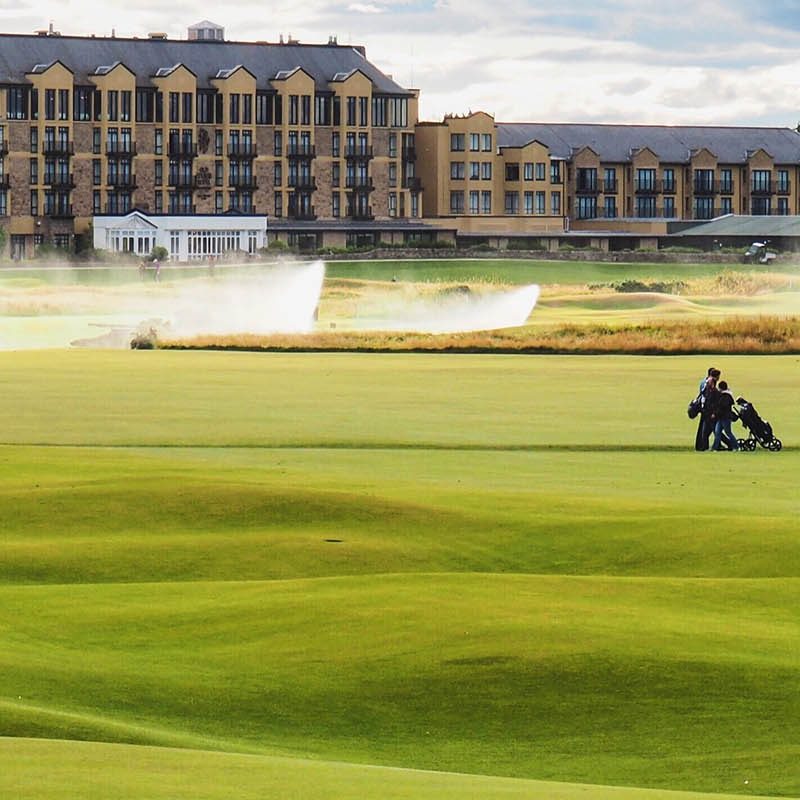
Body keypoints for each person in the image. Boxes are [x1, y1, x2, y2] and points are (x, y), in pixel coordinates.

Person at [695, 368, 720, 451]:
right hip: (708, 411)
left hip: (704, 409)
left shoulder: (704, 383)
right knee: (711, 429)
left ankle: (702, 445)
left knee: (705, 429)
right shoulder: (710, 386)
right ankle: (710, 445)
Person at [711, 380, 739, 451]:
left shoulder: (725, 396)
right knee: (717, 432)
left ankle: (736, 446)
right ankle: (715, 447)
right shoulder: (725, 396)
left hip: (725, 418)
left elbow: (722, 408)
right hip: (721, 417)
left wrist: (715, 414)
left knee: (728, 432)